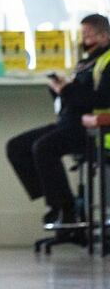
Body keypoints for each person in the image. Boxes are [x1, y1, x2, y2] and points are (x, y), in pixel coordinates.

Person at [7, 14, 110, 225]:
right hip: (67, 123)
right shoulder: (84, 63)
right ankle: (57, 201)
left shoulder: (106, 62)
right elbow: (71, 97)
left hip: (90, 130)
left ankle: (66, 209)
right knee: (16, 147)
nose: (83, 40)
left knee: (43, 148)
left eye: (88, 35)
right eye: (81, 34)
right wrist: (58, 89)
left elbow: (101, 98)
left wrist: (68, 90)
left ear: (104, 36)